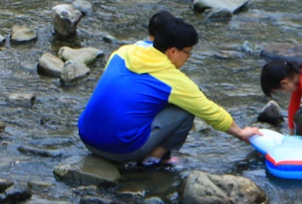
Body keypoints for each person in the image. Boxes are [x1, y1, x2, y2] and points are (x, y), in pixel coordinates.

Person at [79, 16, 259, 166]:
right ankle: (152, 161)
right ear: (173, 51)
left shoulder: (123, 52)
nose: (188, 58)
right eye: (188, 52)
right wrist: (241, 133)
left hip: (86, 137)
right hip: (120, 150)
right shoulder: (173, 80)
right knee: (186, 108)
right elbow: (211, 112)